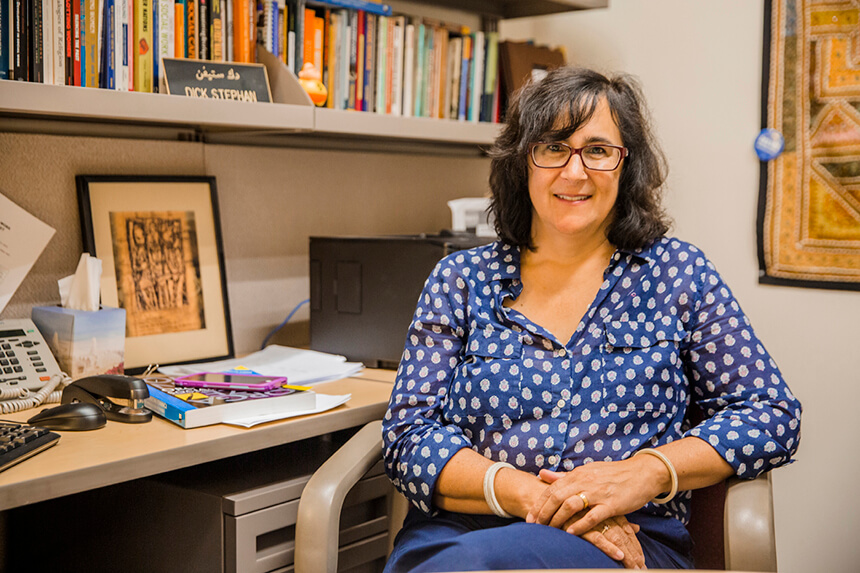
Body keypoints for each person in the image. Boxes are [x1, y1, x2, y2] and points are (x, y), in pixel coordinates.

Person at [381, 66, 802, 571]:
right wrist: (536, 499)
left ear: (627, 166)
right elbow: (408, 436)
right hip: (463, 534)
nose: (574, 172)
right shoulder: (461, 279)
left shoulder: (678, 274)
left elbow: (771, 413)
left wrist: (646, 472)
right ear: (522, 163)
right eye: (553, 147)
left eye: (598, 150)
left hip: (628, 538)